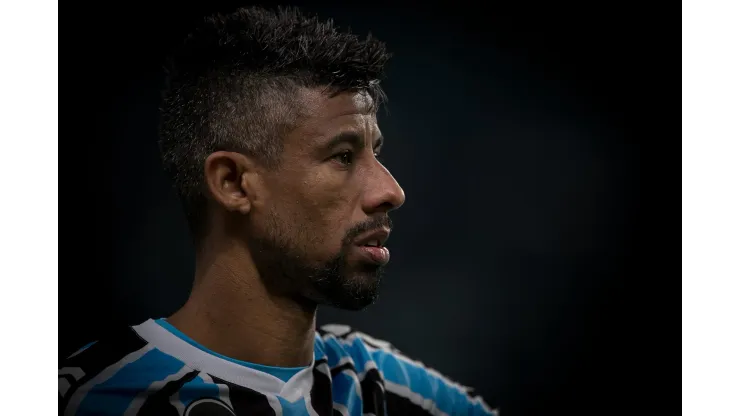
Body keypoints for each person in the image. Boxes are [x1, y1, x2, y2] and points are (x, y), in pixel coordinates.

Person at [59, 6, 497, 416]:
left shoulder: (376, 383)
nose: (391, 191)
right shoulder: (95, 398)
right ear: (233, 183)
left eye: (374, 152)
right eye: (343, 156)